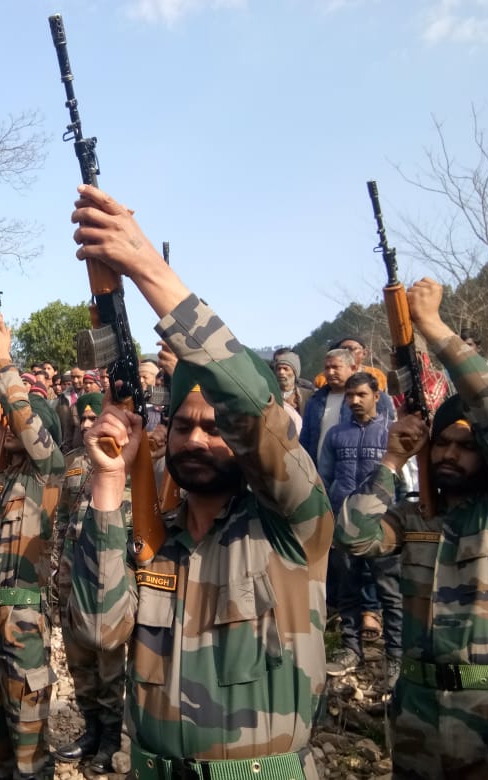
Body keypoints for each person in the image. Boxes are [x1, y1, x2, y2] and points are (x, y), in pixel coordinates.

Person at [69, 184, 333, 778]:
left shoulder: (292, 525)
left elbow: (246, 401)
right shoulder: (156, 541)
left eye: (214, 429)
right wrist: (109, 487)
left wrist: (148, 270)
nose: (194, 440)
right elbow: (97, 633)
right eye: (183, 426)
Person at [337, 278, 488, 779]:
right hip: (418, 709)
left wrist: (434, 329)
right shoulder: (413, 518)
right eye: (441, 444)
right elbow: (356, 535)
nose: (449, 453)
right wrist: (391, 458)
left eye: (465, 445)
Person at [0, 310, 65, 780]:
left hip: (22, 621)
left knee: (29, 752)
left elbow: (32, 431)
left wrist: (5, 365)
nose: (9, 429)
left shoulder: (47, 471)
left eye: (15, 425)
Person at [52, 391, 127, 773]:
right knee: (79, 661)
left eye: (91, 418)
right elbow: (62, 520)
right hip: (70, 577)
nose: (84, 425)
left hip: (108, 582)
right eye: (81, 419)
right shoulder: (72, 464)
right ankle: (92, 729)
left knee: (109, 664)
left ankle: (112, 738)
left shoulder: (125, 461)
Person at [317, 372, 402, 683]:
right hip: (343, 524)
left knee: (391, 593)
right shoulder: (336, 435)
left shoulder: (391, 434)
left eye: (361, 395)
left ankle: (396, 658)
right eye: (350, 395)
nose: (354, 401)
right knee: (348, 590)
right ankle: (351, 649)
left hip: (384, 527)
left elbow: (405, 480)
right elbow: (323, 479)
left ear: (376, 396)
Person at [272, 348, 314, 414]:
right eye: (278, 369)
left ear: (294, 372)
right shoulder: (269, 394)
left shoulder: (308, 395)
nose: (281, 372)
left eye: (285, 369)